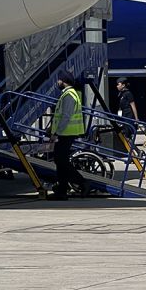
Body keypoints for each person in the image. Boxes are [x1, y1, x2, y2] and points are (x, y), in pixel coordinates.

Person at [49, 71, 86, 200]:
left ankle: (82, 182)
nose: (57, 82)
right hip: (65, 133)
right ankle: (62, 190)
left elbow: (65, 116)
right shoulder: (67, 94)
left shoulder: (69, 95)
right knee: (60, 161)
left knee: (61, 160)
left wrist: (56, 133)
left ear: (63, 81)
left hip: (66, 133)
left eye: (59, 80)